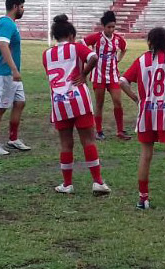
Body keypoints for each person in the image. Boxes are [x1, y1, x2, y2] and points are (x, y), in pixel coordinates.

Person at [120, 27, 165, 216]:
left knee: (145, 155)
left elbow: (122, 81)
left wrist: (136, 99)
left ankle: (143, 199)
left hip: (147, 113)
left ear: (150, 41)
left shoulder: (142, 59)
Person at [43, 14, 111, 196]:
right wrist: (84, 74)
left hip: (59, 102)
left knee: (66, 144)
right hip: (78, 99)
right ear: (72, 35)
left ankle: (67, 184)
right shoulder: (76, 48)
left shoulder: (46, 54)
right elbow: (94, 57)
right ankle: (97, 182)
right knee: (88, 140)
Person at [0, 0, 31, 155]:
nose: (23, 10)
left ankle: (13, 139)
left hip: (11, 74)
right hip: (4, 73)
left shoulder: (8, 23)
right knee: (0, 107)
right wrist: (14, 69)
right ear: (15, 6)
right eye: (22, 6)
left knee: (20, 103)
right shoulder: (7, 24)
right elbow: (3, 45)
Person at [83, 11, 130, 141]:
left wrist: (118, 59)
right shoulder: (96, 37)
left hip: (113, 75)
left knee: (118, 102)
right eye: (109, 27)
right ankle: (98, 130)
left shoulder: (118, 39)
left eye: (113, 27)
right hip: (98, 76)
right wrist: (88, 58)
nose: (111, 29)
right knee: (99, 103)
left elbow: (124, 48)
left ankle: (120, 131)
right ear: (103, 27)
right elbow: (81, 43)